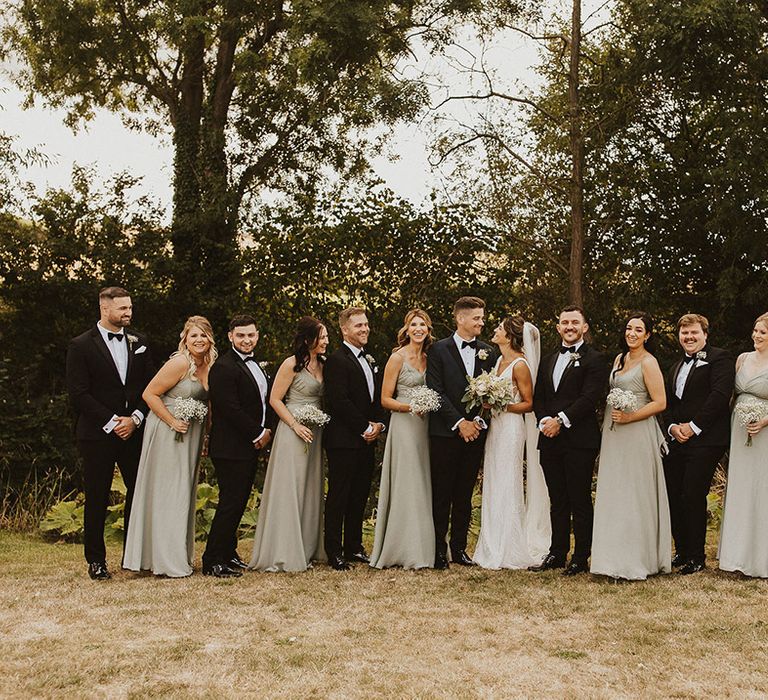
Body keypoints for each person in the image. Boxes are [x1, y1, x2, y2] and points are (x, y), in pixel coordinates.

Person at [66, 286, 155, 580]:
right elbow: (79, 393)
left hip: (134, 432)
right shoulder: (80, 345)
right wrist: (113, 421)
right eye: (122, 309)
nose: (128, 313)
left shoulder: (139, 340)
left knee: (138, 492)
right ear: (105, 309)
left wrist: (137, 418)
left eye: (130, 307)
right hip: (98, 434)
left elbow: (150, 386)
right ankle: (96, 560)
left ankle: (134, 554)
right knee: (97, 495)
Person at [123, 316, 216, 577]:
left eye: (203, 335)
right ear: (185, 339)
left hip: (192, 436)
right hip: (167, 432)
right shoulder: (180, 363)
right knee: (168, 493)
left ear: (210, 339)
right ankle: (165, 561)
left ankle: (176, 554)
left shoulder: (209, 365)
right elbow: (149, 394)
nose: (199, 340)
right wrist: (173, 421)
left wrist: (207, 436)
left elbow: (209, 405)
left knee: (183, 493)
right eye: (193, 335)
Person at [590, 312, 671, 580]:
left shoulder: (649, 363)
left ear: (647, 335)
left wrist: (629, 417)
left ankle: (637, 559)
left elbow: (660, 402)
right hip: (614, 435)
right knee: (615, 492)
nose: (632, 333)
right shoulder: (619, 359)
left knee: (635, 493)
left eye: (638, 329)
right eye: (628, 328)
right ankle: (610, 558)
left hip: (637, 432)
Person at [531, 304, 607, 576]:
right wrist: (544, 421)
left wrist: (560, 420)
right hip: (548, 438)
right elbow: (539, 395)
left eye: (575, 322)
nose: (570, 327)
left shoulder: (595, 359)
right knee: (557, 499)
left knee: (580, 498)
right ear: (558, 327)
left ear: (584, 327)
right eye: (565, 323)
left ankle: (581, 556)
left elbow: (590, 398)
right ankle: (557, 552)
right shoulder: (549, 358)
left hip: (579, 439)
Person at [250, 317, 328, 572]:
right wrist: (295, 425)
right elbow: (275, 399)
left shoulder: (324, 364)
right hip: (293, 432)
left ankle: (305, 546)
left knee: (310, 486)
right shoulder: (291, 364)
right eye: (322, 336)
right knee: (291, 487)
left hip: (314, 432)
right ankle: (284, 550)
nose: (327, 341)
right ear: (308, 340)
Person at [202, 314, 275, 578]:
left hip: (248, 445)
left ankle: (228, 553)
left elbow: (263, 402)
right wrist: (258, 433)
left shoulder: (258, 365)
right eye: (241, 335)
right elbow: (229, 408)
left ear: (257, 335)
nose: (247, 340)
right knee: (231, 502)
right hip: (230, 447)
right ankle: (212, 560)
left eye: (251, 335)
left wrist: (268, 431)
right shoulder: (222, 367)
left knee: (239, 500)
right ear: (231, 336)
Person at [426, 296, 496, 569]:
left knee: (464, 493)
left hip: (475, 433)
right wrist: (459, 423)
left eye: (482, 317)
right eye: (476, 318)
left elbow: (490, 395)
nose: (481, 322)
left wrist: (476, 422)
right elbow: (436, 391)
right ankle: (438, 550)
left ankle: (459, 548)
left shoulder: (488, 352)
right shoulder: (437, 350)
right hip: (445, 433)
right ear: (460, 319)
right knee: (441, 492)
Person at [663, 313, 734, 574]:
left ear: (705, 334)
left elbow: (719, 396)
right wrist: (671, 427)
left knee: (693, 493)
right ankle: (681, 550)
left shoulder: (720, 358)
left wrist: (693, 428)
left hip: (707, 439)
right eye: (684, 333)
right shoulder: (674, 367)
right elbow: (668, 403)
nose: (689, 337)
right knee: (673, 493)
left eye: (694, 333)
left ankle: (696, 556)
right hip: (677, 439)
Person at [474, 316, 547, 570]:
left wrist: (501, 404)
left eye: (499, 328)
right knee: (494, 479)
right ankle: (492, 543)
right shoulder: (497, 360)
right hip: (496, 427)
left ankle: (509, 546)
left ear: (510, 335)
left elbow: (528, 403)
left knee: (507, 480)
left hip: (512, 429)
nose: (494, 330)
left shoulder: (519, 365)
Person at [370, 309, 436, 570]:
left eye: (423, 325)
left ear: (428, 330)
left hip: (425, 424)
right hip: (404, 423)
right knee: (406, 480)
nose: (418, 329)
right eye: (413, 325)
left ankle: (423, 546)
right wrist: (410, 407)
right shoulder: (397, 358)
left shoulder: (430, 358)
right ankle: (401, 547)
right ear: (406, 330)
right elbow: (385, 398)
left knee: (422, 479)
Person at [323, 307, 387, 571]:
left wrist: (378, 424)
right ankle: (334, 551)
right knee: (339, 495)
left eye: (366, 325)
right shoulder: (337, 360)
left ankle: (354, 546)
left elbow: (374, 398)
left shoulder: (368, 359)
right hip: (343, 439)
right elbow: (338, 401)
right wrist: (364, 427)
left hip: (366, 439)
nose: (364, 329)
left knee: (360, 493)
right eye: (358, 326)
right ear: (345, 330)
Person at [719, 312, 768, 578]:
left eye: (762, 332)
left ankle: (760, 559)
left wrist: (763, 421)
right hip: (739, 429)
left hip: (764, 432)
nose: (756, 336)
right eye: (755, 331)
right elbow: (732, 394)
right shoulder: (742, 359)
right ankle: (736, 556)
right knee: (740, 486)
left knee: (762, 488)